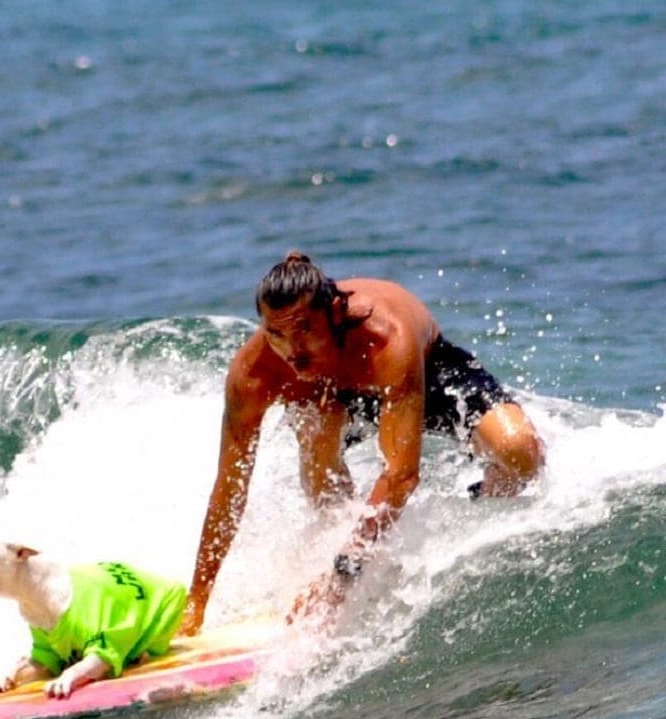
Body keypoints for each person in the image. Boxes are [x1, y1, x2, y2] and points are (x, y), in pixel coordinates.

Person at [180, 251, 544, 632]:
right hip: (331, 394)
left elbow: (402, 475)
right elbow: (229, 490)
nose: (292, 351)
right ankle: (338, 547)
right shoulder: (253, 373)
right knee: (317, 434)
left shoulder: (387, 341)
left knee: (521, 453)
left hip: (427, 370)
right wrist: (197, 600)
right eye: (276, 334)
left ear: (336, 313)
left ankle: (480, 494)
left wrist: (340, 583)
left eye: (304, 329)